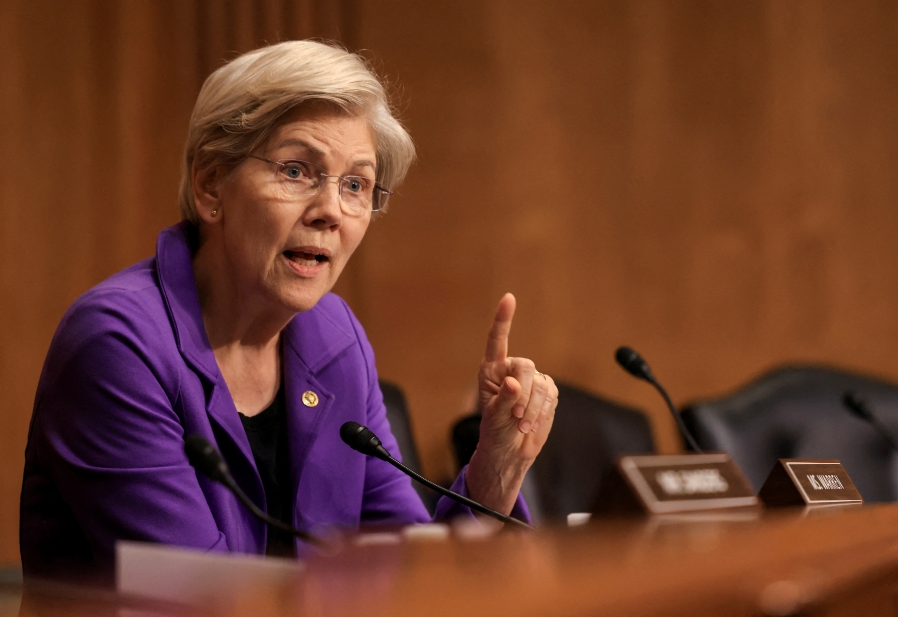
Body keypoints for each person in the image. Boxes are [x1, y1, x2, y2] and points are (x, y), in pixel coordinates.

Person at [19, 40, 558, 583]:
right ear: (211, 183)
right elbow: (199, 599)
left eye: (355, 185)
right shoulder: (118, 346)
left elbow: (406, 579)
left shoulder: (334, 338)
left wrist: (491, 475)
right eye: (297, 170)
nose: (330, 212)